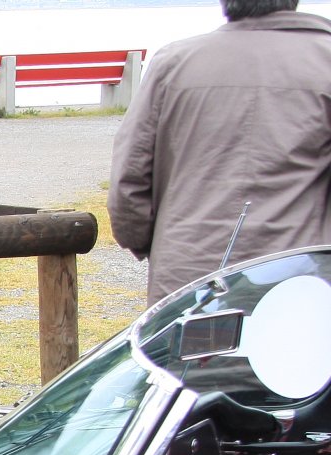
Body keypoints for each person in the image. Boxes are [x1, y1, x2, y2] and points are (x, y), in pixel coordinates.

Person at [108, 0, 331, 305]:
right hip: (298, 280)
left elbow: (129, 181)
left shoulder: (174, 62)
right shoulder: (324, 60)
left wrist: (163, 247)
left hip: (186, 277)